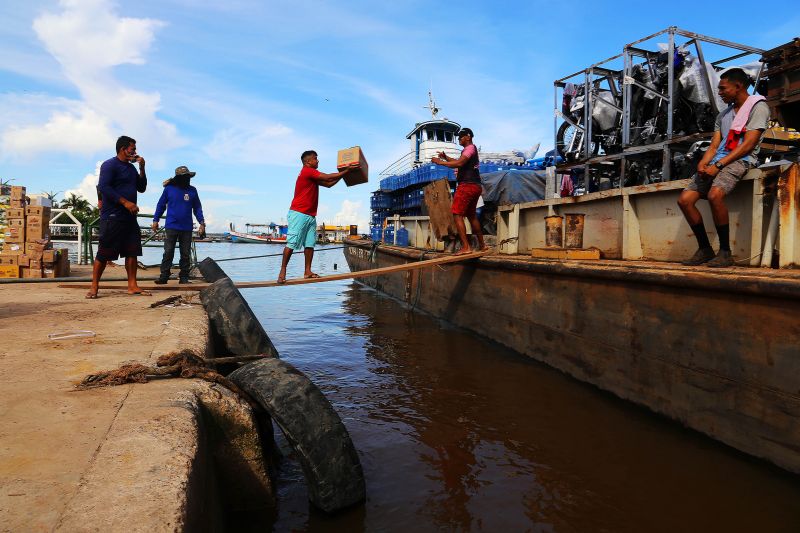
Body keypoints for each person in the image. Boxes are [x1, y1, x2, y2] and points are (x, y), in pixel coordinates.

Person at [677, 68, 769, 267]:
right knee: (685, 200)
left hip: (741, 159)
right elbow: (714, 145)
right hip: (718, 159)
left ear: (738, 86)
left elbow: (748, 145)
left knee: (714, 195)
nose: (719, 92)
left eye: (722, 88)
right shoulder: (723, 115)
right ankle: (705, 249)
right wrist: (703, 163)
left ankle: (725, 252)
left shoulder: (758, 107)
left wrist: (718, 165)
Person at [277, 150, 351, 284]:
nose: (318, 161)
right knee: (292, 243)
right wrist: (346, 172)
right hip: (298, 213)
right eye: (315, 159)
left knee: (310, 244)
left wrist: (343, 175)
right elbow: (328, 177)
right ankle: (282, 271)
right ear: (308, 162)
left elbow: (328, 184)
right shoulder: (307, 171)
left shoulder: (312, 175)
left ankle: (307, 271)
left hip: (310, 215)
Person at [87, 135, 147, 298]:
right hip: (112, 216)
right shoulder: (109, 165)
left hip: (129, 218)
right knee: (104, 252)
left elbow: (141, 188)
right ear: (123, 149)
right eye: (132, 149)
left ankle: (132, 285)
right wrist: (125, 202)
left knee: (132, 251)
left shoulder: (131, 168)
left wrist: (142, 168)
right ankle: (94, 287)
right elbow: (104, 187)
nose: (135, 152)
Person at [431, 127, 487, 255]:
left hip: (466, 185)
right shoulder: (469, 150)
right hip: (475, 186)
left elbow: (459, 163)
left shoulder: (470, 148)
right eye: (458, 137)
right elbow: (458, 161)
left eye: (461, 136)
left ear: (468, 136)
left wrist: (439, 161)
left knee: (457, 214)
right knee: (471, 216)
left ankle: (466, 247)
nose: (459, 139)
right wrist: (446, 157)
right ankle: (482, 246)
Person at [152, 166, 205, 284]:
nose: (188, 179)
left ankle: (184, 277)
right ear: (179, 178)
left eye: (188, 177)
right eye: (185, 177)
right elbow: (161, 205)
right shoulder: (169, 189)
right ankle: (164, 276)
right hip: (171, 226)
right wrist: (156, 220)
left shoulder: (193, 190)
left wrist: (202, 222)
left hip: (187, 227)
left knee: (185, 254)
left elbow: (197, 208)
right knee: (168, 251)